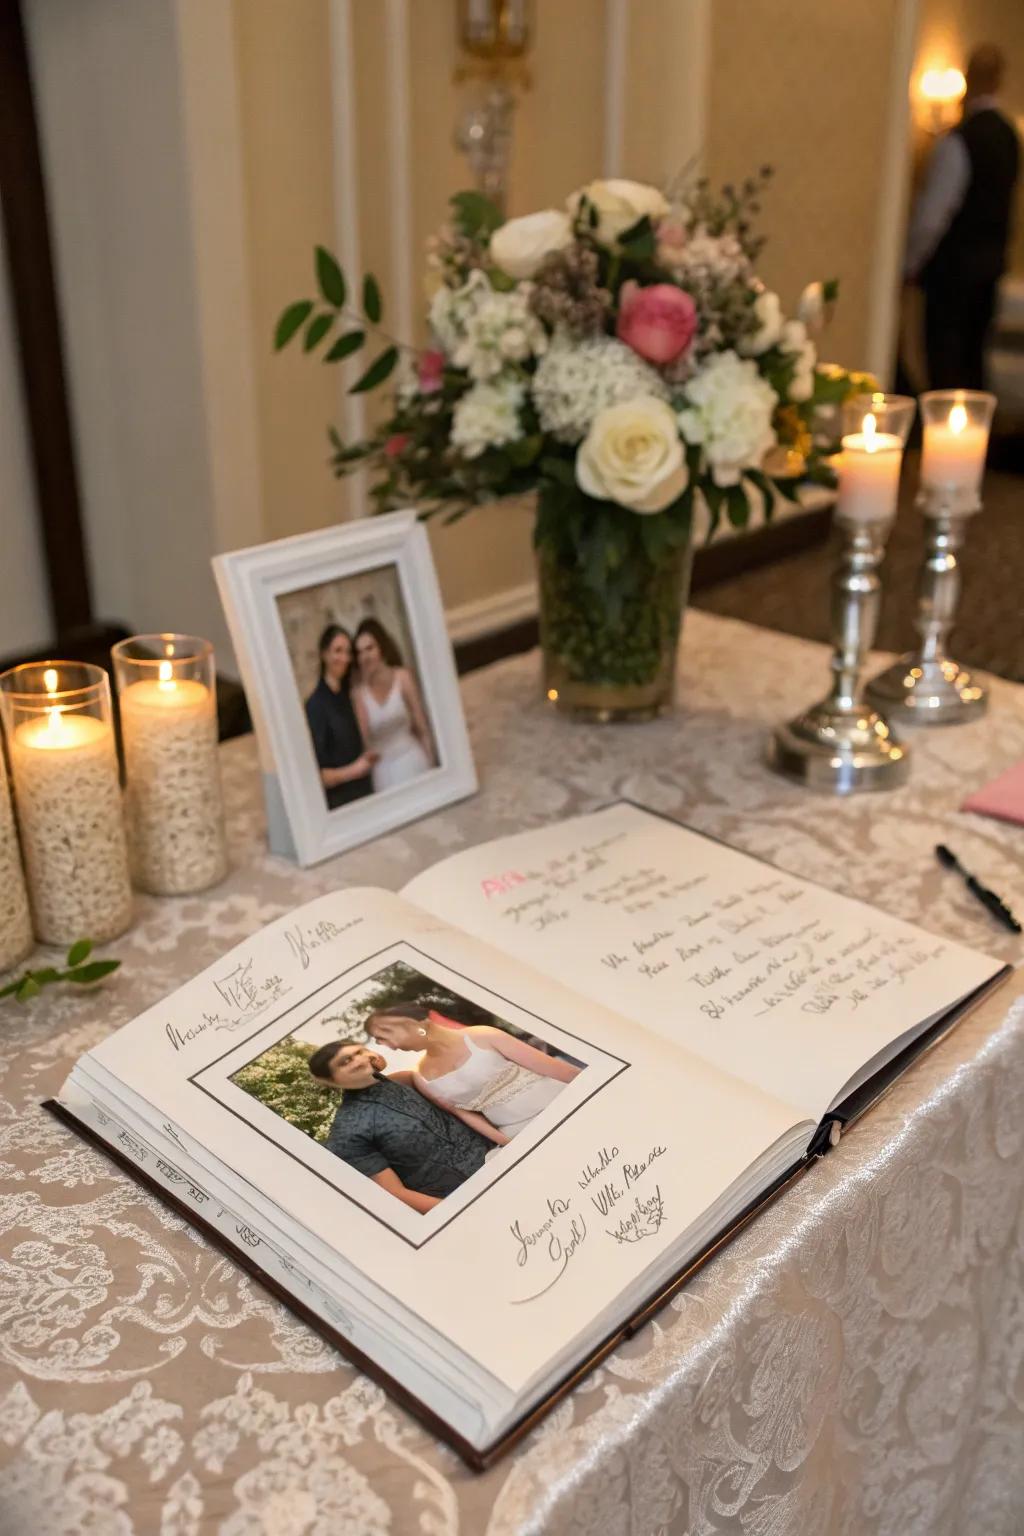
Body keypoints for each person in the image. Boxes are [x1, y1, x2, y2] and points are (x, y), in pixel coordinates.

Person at [906, 43, 1021, 390]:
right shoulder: (1010, 137)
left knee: (947, 363)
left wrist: (910, 263)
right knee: (973, 362)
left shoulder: (960, 139)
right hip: (990, 267)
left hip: (952, 274)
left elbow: (934, 215)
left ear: (969, 79)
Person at [308, 1040, 493, 1213]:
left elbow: (459, 1111)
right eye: (346, 1061)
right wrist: (460, 1212)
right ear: (328, 1080)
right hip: (458, 1197)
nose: (359, 1059)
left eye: (360, 1051)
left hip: (493, 1159)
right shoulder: (346, 1131)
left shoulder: (404, 1080)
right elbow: (396, 1194)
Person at [367, 1002, 581, 1142]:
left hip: (560, 1103)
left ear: (410, 1023)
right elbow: (464, 1114)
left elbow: (554, 1068)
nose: (390, 1046)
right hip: (517, 1132)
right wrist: (507, 1143)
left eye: (385, 1035)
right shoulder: (420, 1076)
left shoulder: (482, 1036)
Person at [352, 619, 436, 791]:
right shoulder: (358, 694)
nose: (365, 656)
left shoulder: (403, 677)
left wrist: (432, 764)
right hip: (383, 771)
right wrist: (365, 681)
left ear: (381, 648)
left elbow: (422, 727)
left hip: (412, 757)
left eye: (370, 648)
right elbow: (364, 742)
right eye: (360, 652)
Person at [304, 625, 377, 811]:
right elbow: (319, 776)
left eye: (347, 652)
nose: (344, 658)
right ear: (324, 654)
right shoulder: (315, 705)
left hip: (366, 792)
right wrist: (355, 770)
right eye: (338, 651)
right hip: (343, 803)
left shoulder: (349, 695)